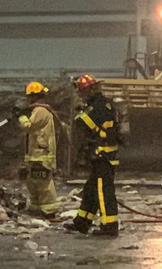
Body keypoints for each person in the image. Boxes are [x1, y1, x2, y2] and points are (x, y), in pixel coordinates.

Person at [68, 75, 121, 236]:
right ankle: (82, 222)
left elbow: (82, 123)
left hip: (102, 156)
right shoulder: (104, 103)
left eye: (83, 92)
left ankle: (109, 227)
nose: (82, 96)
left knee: (103, 192)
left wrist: (78, 110)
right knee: (91, 189)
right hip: (103, 155)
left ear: (91, 90)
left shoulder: (97, 106)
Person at [16, 82, 60, 217]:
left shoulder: (40, 111)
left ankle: (50, 210)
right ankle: (36, 208)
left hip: (41, 154)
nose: (28, 100)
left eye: (29, 97)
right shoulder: (39, 110)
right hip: (37, 153)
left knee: (43, 183)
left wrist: (21, 117)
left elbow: (29, 126)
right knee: (33, 182)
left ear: (34, 97)